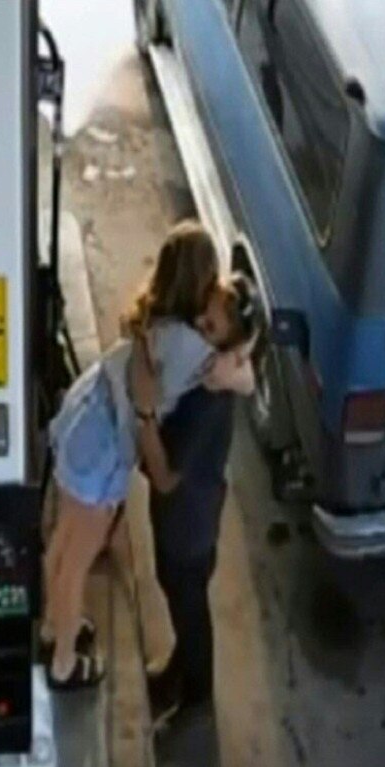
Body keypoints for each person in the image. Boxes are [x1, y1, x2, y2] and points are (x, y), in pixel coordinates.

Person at [41, 221, 254, 690]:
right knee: (79, 556)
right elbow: (242, 375)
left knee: (64, 537)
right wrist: (242, 351)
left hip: (84, 413)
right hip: (102, 446)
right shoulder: (194, 348)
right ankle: (63, 662)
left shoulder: (153, 319)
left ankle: (56, 624)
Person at [135, 273, 258, 736]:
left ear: (224, 348)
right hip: (195, 516)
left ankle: (196, 698)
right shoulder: (213, 379)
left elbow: (166, 476)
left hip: (186, 523)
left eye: (208, 327)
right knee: (182, 598)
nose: (196, 329)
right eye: (200, 316)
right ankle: (177, 672)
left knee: (188, 605)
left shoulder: (204, 404)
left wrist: (144, 415)